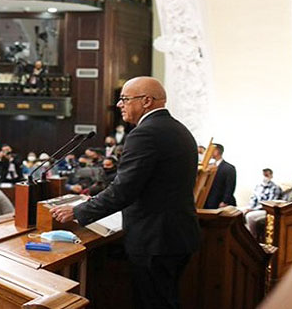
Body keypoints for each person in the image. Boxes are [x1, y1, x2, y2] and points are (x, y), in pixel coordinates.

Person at [50, 76, 201, 309]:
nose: (119, 104)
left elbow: (124, 190)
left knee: (153, 303)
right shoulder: (178, 129)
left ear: (147, 101)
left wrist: (78, 211)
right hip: (176, 234)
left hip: (155, 240)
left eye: (124, 99)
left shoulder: (145, 134)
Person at [244, 169, 283, 240]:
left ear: (271, 176)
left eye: (266, 175)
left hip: (265, 210)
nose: (264, 177)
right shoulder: (258, 186)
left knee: (250, 216)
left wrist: (253, 209)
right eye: (263, 175)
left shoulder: (275, 188)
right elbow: (253, 198)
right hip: (254, 208)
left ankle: (253, 239)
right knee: (239, 211)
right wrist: (249, 207)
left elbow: (269, 203)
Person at [204, 144, 237, 209]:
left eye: (211, 150)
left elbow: (230, 186)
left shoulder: (229, 168)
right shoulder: (208, 166)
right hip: (207, 201)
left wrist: (225, 201)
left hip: (220, 202)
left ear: (216, 151)